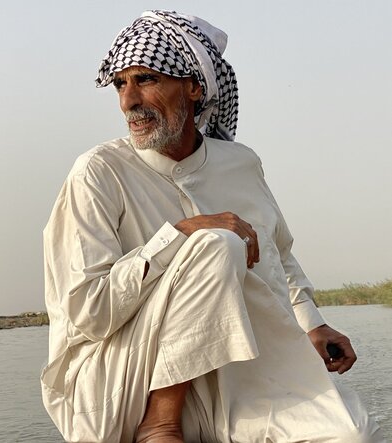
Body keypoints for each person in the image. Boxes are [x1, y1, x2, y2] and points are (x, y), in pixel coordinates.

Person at [40, 10, 385, 443]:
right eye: (120, 83)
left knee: (352, 434)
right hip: (126, 378)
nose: (128, 100)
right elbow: (87, 313)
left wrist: (311, 322)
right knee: (217, 243)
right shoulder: (98, 172)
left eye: (146, 79)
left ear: (194, 87)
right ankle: (162, 420)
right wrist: (180, 234)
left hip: (234, 371)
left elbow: (278, 252)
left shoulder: (240, 163)